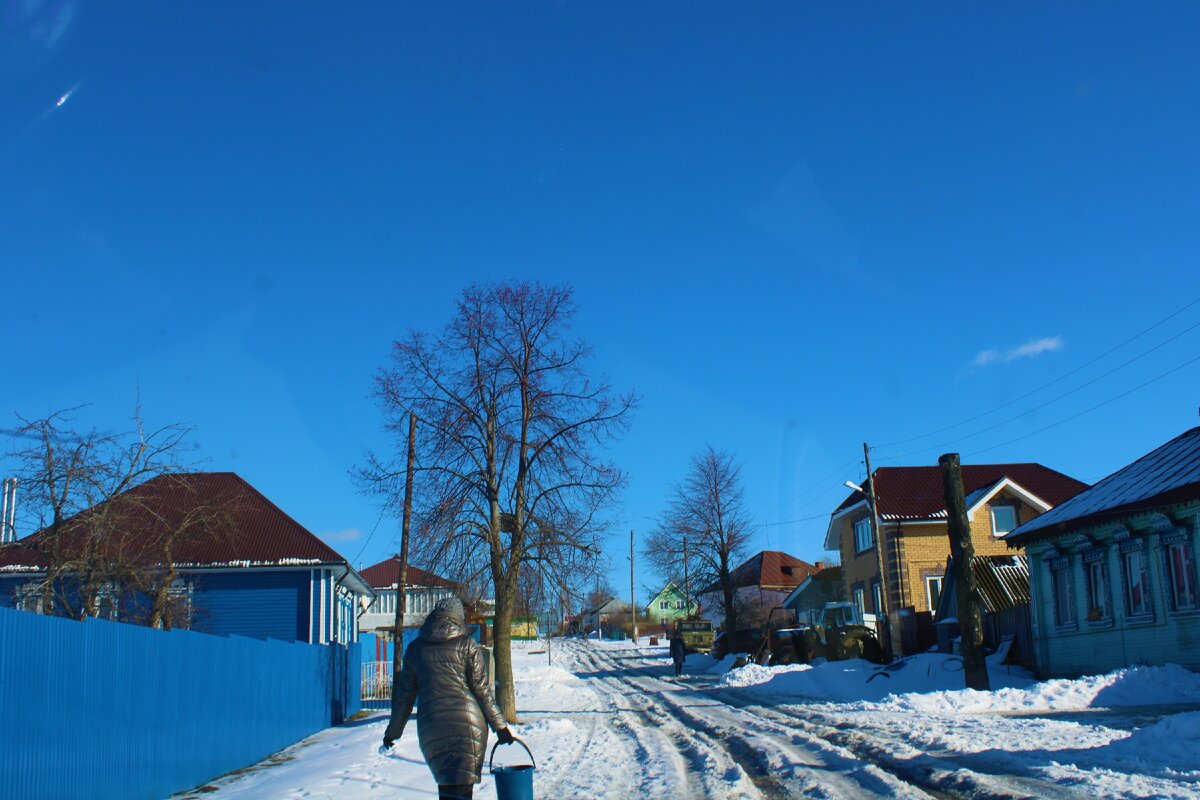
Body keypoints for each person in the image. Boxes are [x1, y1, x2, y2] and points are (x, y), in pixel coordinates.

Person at [383, 598, 514, 800]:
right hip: (468, 728)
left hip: (432, 729)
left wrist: (392, 733)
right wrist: (501, 728)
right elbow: (483, 692)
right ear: (458, 618)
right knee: (463, 790)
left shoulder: (415, 649)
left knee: (446, 789)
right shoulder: (468, 646)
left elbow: (404, 698)